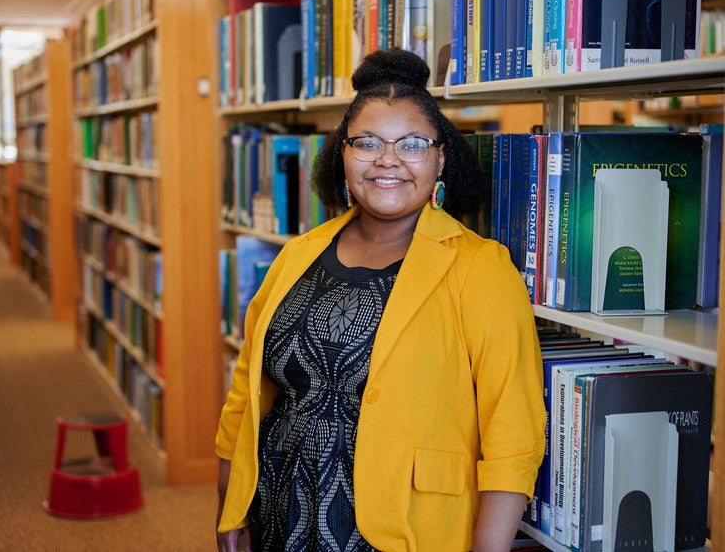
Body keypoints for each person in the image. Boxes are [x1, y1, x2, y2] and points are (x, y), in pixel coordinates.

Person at [215, 48, 546, 552]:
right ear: (341, 155)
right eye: (367, 143)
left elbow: (513, 430)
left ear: (441, 158)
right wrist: (230, 505)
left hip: (406, 529)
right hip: (278, 509)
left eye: (412, 144)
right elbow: (245, 397)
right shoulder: (298, 255)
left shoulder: (480, 268)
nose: (387, 159)